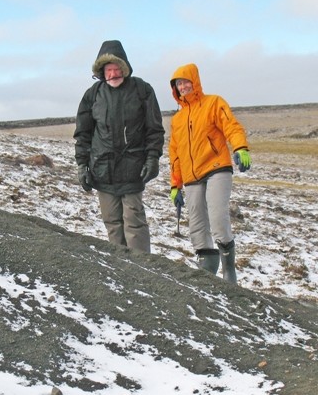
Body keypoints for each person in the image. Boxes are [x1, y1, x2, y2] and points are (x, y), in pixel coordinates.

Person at [74, 40, 165, 253]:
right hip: (103, 170)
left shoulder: (142, 90)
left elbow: (154, 129)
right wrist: (82, 166)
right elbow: (83, 134)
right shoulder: (92, 94)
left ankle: (143, 270)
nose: (113, 74)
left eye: (116, 69)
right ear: (101, 72)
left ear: (124, 69)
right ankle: (121, 273)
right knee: (112, 223)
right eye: (108, 70)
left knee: (134, 223)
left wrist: (152, 158)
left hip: (133, 170)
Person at [168, 63, 251, 284]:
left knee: (217, 218)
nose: (183, 86)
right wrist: (175, 185)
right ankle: (207, 268)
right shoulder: (177, 120)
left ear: (194, 82)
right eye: (178, 84)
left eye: (186, 82)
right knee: (196, 223)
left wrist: (240, 147)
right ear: (174, 89)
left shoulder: (213, 103)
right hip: (192, 176)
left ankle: (229, 268)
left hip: (217, 168)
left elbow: (232, 126)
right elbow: (175, 154)